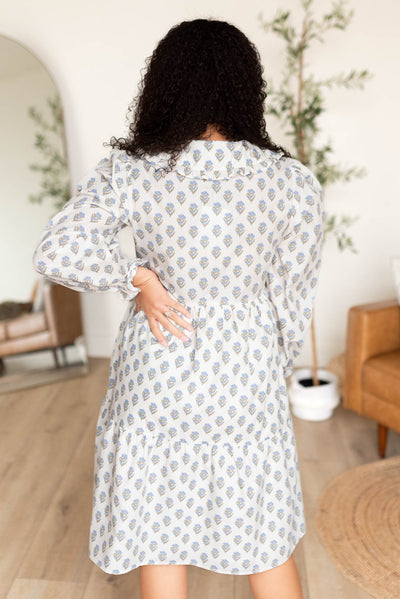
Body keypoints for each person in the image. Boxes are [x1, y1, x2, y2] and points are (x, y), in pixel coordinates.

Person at [32, 18, 325, 599]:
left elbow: (55, 250)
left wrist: (136, 278)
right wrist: (270, 361)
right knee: (264, 540)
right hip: (244, 375)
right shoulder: (291, 182)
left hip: (159, 366)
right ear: (247, 88)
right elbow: (294, 299)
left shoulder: (133, 171)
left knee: (157, 535)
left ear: (166, 85)